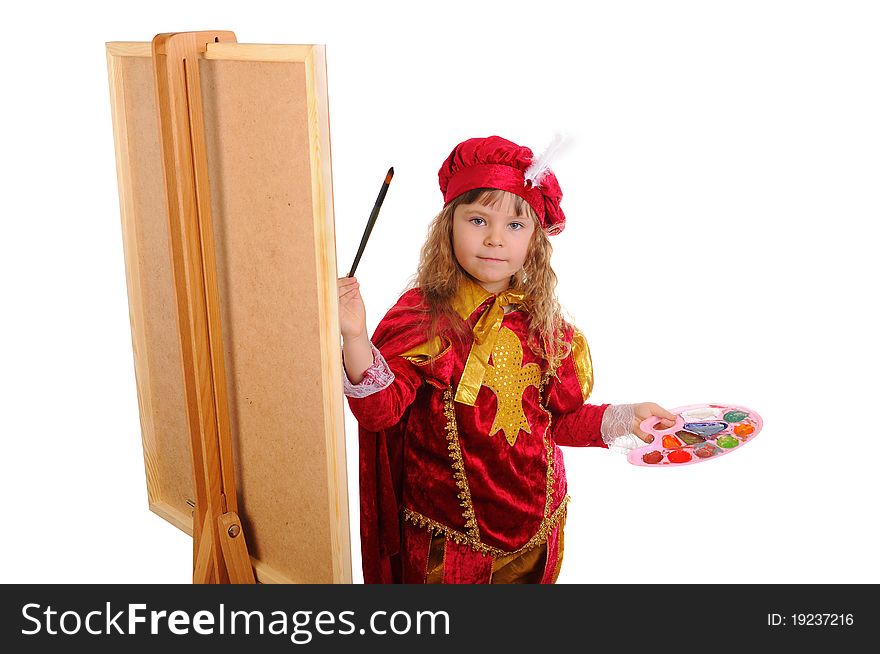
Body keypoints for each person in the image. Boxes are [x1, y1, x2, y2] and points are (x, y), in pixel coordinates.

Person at [338, 135, 676, 584]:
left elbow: (559, 420)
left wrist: (623, 418)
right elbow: (380, 411)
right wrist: (356, 335)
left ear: (534, 239)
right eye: (478, 220)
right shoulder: (422, 317)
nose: (496, 239)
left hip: (538, 537)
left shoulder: (545, 324)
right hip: (450, 544)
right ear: (448, 226)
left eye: (515, 226)